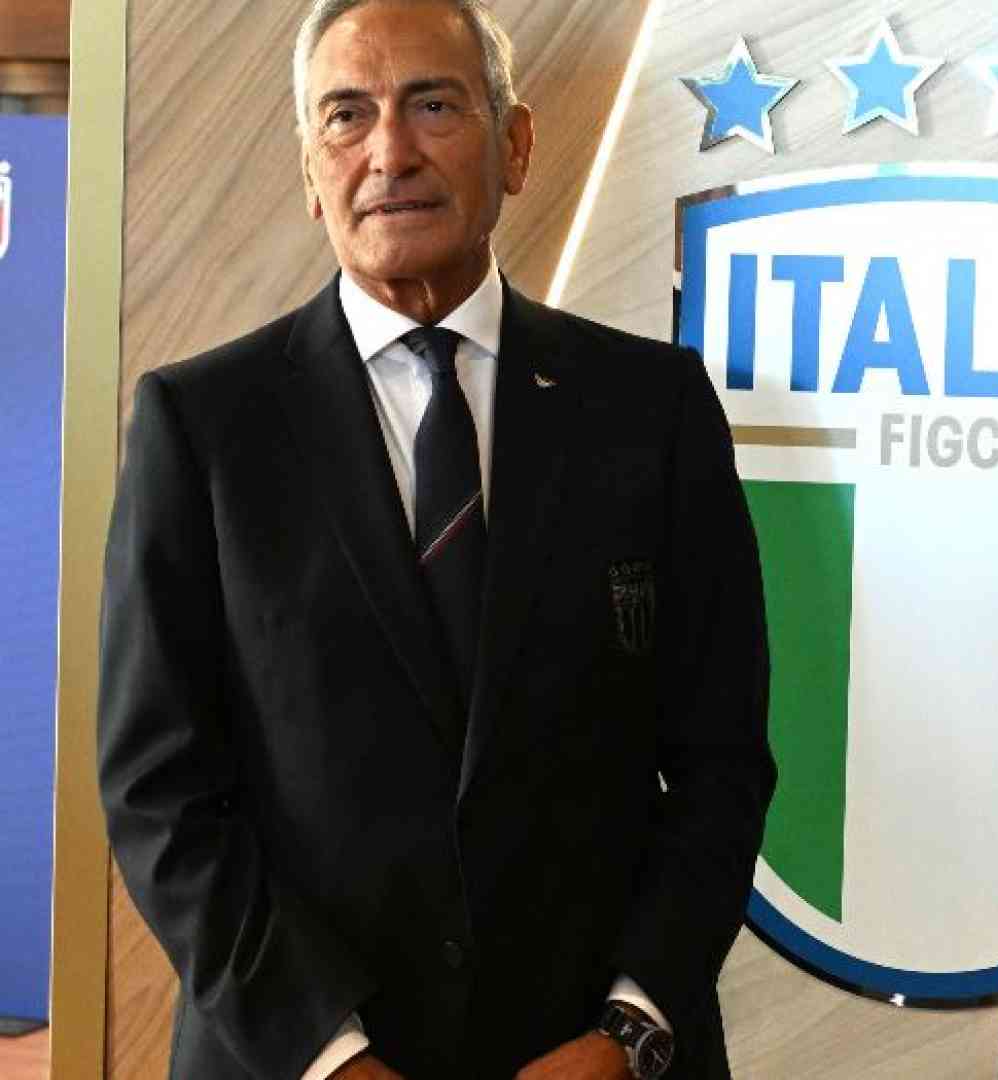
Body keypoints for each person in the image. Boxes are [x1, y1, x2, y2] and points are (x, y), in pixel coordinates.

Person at [96, 1, 773, 1077]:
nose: (390, 153)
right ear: (308, 168)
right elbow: (159, 791)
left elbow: (722, 762)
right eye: (345, 115)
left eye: (433, 106)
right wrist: (328, 1056)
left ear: (515, 144)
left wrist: (631, 1026)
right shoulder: (202, 426)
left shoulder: (654, 408)